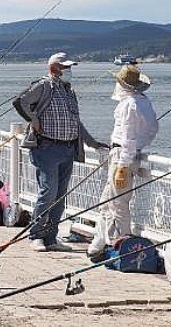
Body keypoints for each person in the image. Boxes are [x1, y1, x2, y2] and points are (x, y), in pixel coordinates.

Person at [15, 52, 107, 252]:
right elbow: (20, 102)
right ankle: (36, 235)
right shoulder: (43, 86)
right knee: (48, 192)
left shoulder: (69, 91)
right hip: (46, 147)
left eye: (69, 68)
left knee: (59, 196)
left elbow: (76, 123)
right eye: (65, 68)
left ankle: (51, 237)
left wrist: (93, 143)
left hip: (68, 148)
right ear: (53, 68)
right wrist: (34, 120)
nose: (69, 71)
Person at [87, 65, 158, 260]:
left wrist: (123, 165)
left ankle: (120, 247)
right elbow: (152, 130)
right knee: (106, 201)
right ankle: (99, 243)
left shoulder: (128, 105)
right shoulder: (144, 102)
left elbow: (127, 137)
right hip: (131, 154)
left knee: (118, 204)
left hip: (122, 156)